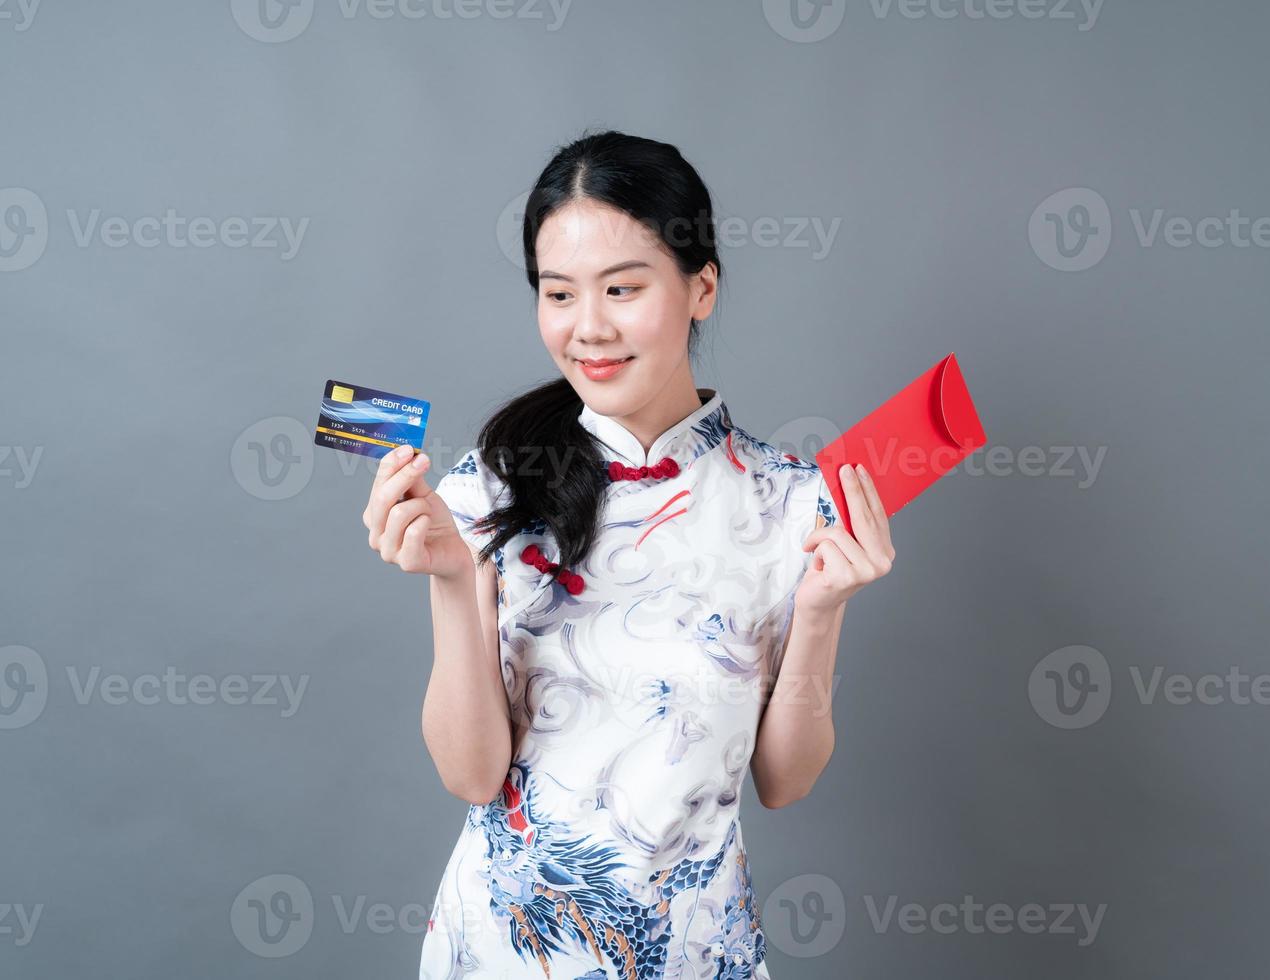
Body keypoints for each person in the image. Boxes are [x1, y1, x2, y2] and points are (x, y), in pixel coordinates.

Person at [363, 130, 895, 980]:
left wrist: (823, 606)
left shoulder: (793, 502)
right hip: (507, 954)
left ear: (702, 287)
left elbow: (784, 781)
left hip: (695, 952)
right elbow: (470, 776)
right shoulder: (489, 492)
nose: (589, 328)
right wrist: (455, 582)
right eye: (559, 293)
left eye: (621, 288)